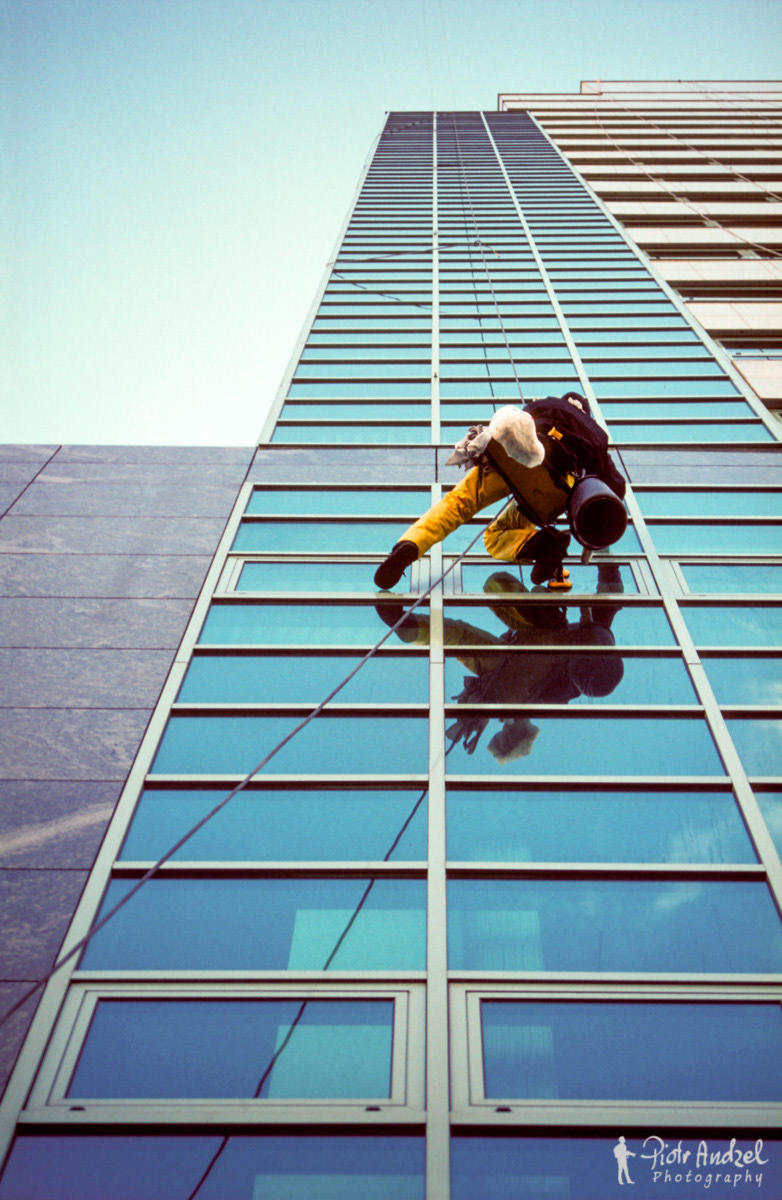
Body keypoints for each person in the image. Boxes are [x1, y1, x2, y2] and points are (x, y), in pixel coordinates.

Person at [374, 392, 627, 591]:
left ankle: (410, 544)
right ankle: (543, 545)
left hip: (517, 456)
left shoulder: (552, 404)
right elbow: (616, 489)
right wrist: (589, 546)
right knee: (495, 535)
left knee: (459, 503)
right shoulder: (596, 435)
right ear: (587, 411)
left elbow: (525, 416)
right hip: (554, 490)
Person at [376, 564, 625, 764]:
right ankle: (411, 628)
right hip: (525, 649)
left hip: (520, 659)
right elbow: (611, 592)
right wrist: (605, 559)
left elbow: (610, 593)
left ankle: (410, 628)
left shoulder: (564, 682)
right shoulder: (593, 636)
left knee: (471, 625)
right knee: (490, 596)